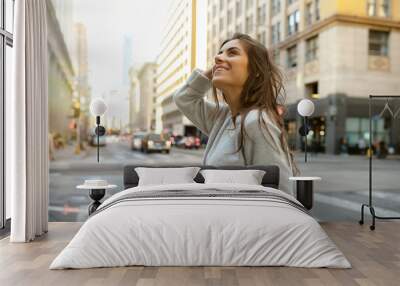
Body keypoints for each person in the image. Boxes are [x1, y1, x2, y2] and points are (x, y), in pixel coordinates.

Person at [173, 33, 300, 197]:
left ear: (255, 71)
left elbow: (280, 192)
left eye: (232, 53)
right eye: (219, 53)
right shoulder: (222, 118)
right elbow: (183, 98)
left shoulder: (256, 122)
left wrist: (222, 65)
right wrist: (219, 67)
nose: (218, 57)